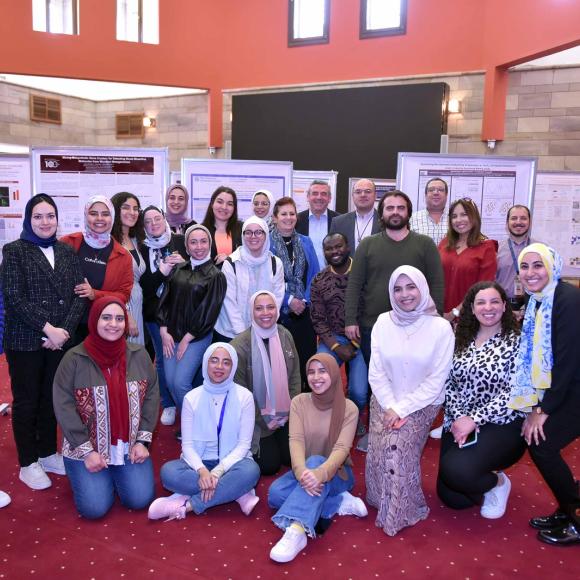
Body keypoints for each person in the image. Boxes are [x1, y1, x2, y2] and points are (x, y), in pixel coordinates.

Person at [2, 193, 86, 490]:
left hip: (59, 341)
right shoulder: (14, 251)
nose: (45, 221)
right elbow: (14, 296)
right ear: (28, 219)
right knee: (27, 402)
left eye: (50, 215)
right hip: (26, 340)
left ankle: (48, 453)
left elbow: (80, 295)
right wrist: (47, 328)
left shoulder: (65, 251)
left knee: (53, 399)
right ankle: (28, 462)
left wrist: (62, 331)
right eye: (38, 216)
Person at [366, 266, 454, 536]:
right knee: (379, 449)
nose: (405, 294)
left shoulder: (440, 328)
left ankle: (403, 510)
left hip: (422, 404)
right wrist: (391, 405)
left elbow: (436, 381)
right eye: (397, 288)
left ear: (422, 288)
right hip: (385, 398)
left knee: (396, 445)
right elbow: (376, 371)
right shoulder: (382, 322)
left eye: (411, 286)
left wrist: (402, 409)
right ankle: (377, 495)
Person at [53, 297, 159, 519]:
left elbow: (151, 397)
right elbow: (63, 407)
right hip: (87, 449)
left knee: (140, 499)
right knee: (94, 509)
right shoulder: (73, 359)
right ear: (94, 320)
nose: (114, 324)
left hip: (128, 445)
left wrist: (142, 441)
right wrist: (87, 452)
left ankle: (113, 475)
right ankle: (99, 477)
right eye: (106, 317)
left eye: (120, 318)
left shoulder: (139, 355)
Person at [508, 244, 580, 546]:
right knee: (539, 443)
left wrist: (542, 409)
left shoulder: (567, 300)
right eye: (525, 267)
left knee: (542, 443)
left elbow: (566, 359)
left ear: (552, 266)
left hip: (574, 386)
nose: (530, 273)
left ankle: (575, 514)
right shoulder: (540, 300)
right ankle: (567, 508)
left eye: (538, 266)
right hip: (567, 385)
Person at [437, 281, 526, 519]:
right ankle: (480, 475)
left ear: (505, 306)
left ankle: (497, 482)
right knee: (453, 497)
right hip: (461, 419)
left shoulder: (518, 341)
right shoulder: (460, 339)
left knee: (459, 473)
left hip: (501, 423)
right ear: (472, 309)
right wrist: (459, 418)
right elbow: (450, 384)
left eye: (495, 301)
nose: (488, 308)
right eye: (481, 302)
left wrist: (474, 419)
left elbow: (515, 391)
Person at [268, 353, 367, 564]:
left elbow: (341, 449)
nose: (316, 377)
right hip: (305, 473)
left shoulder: (349, 408)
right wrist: (301, 473)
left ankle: (296, 531)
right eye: (311, 372)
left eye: (322, 371)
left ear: (333, 372)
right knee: (274, 495)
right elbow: (295, 440)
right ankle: (336, 502)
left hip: (337, 474)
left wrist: (319, 473)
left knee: (315, 461)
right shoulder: (299, 402)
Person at [148, 343, 261, 520]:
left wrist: (216, 473)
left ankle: (187, 505)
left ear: (233, 367)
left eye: (226, 362)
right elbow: (187, 446)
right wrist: (202, 471)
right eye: (214, 360)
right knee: (168, 472)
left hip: (232, 464)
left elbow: (244, 445)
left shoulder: (244, 396)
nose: (219, 367)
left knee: (251, 470)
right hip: (198, 465)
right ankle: (238, 492)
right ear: (206, 363)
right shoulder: (191, 398)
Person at [345, 190, 444, 368]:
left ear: (408, 212)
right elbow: (354, 285)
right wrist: (350, 320)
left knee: (413, 377)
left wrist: (435, 318)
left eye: (401, 208)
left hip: (417, 325)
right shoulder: (367, 245)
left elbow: (436, 283)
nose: (395, 212)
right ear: (381, 214)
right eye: (390, 208)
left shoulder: (425, 244)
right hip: (373, 326)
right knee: (377, 379)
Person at [157, 224, 226, 413]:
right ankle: (190, 418)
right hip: (171, 335)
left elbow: (209, 312)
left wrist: (187, 339)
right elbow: (165, 301)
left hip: (196, 337)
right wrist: (163, 331)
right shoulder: (178, 269)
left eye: (203, 241)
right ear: (186, 247)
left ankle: (197, 421)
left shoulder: (216, 276)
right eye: (193, 242)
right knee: (170, 382)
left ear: (210, 245)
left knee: (180, 383)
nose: (199, 246)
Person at [231, 291, 301, 475]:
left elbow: (295, 377)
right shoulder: (239, 346)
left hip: (285, 413)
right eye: (259, 308)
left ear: (277, 310)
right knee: (270, 465)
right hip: (257, 418)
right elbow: (241, 396)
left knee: (291, 457)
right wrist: (263, 421)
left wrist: (291, 410)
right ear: (251, 312)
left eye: (270, 307)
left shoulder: (285, 335)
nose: (266, 313)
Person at [60, 195, 133, 342]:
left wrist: (94, 294)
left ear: (112, 217)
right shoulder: (67, 242)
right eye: (93, 213)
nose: (99, 218)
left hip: (103, 326)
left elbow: (124, 294)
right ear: (86, 216)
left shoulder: (123, 255)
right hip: (65, 325)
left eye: (105, 214)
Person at [139, 206, 188, 426]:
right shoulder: (141, 248)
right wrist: (161, 272)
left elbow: (194, 271)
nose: (153, 224)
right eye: (148, 221)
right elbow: (144, 286)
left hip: (180, 310)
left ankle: (186, 402)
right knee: (162, 358)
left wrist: (182, 264)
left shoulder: (180, 240)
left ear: (164, 219)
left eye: (157, 218)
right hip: (154, 314)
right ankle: (167, 402)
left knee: (183, 356)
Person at [310, 233, 368, 414]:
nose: (335, 251)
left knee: (359, 393)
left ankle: (353, 416)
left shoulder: (363, 274)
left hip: (362, 338)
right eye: (329, 248)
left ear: (348, 247)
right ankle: (326, 416)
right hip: (332, 338)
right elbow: (318, 319)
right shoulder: (319, 281)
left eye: (338, 246)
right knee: (320, 381)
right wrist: (337, 347)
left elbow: (370, 311)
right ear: (324, 252)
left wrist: (354, 344)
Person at [270, 197, 320, 387]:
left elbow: (315, 274)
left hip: (304, 313)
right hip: (278, 313)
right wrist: (288, 300)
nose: (288, 217)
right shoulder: (266, 242)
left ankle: (304, 405)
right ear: (275, 218)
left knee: (305, 361)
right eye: (284, 214)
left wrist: (304, 301)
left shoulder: (306, 242)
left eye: (292, 213)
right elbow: (267, 278)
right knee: (282, 364)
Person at [215, 216, 284, 342]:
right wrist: (244, 335)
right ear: (243, 235)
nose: (253, 236)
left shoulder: (276, 263)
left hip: (264, 330)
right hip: (231, 333)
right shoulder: (231, 263)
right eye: (248, 232)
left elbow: (277, 298)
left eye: (259, 232)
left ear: (266, 235)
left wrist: (265, 325)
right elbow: (229, 302)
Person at [438, 198, 497, 322]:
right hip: (439, 316)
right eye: (454, 216)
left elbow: (481, 288)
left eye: (464, 214)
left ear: (474, 217)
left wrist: (454, 313)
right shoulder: (444, 244)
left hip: (469, 317)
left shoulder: (486, 247)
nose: (459, 220)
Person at [111, 192, 146, 344]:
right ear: (115, 210)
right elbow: (111, 283)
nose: (132, 212)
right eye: (126, 208)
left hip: (137, 302)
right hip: (122, 304)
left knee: (136, 357)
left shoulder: (135, 240)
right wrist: (126, 314)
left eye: (136, 208)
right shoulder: (110, 242)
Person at [496, 205, 536, 311]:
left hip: (531, 305)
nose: (518, 222)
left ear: (530, 222)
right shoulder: (496, 249)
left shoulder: (540, 249)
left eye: (523, 218)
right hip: (503, 306)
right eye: (514, 218)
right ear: (507, 223)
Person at [329, 178, 380, 255]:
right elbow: (332, 252)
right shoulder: (338, 222)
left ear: (375, 195)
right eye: (358, 192)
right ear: (352, 196)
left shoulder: (385, 221)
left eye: (368, 191)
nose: (363, 195)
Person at [296, 180, 339, 269]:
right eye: (315, 193)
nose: (319, 197)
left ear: (329, 198)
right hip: (305, 278)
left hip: (333, 277)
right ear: (308, 197)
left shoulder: (339, 220)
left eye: (323, 194)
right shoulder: (296, 221)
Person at [201, 186, 242, 267]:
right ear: (212, 203)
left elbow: (249, 258)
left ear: (234, 208)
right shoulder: (201, 231)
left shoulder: (243, 229)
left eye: (229, 204)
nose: (224, 207)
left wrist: (229, 260)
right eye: (220, 202)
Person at [409, 177, 449, 246]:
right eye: (431, 190)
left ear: (446, 195)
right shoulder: (412, 219)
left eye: (440, 190)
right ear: (425, 195)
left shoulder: (456, 218)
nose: (436, 193)